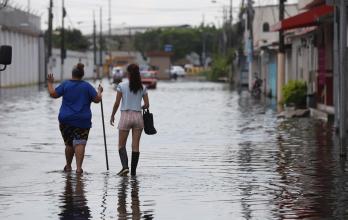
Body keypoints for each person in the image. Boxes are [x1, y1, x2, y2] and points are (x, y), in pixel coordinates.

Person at [47, 63, 103, 174]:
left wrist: (50, 83)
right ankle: (78, 169)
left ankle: (68, 166)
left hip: (65, 119)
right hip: (82, 120)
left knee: (69, 144)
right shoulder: (87, 86)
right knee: (80, 143)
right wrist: (100, 91)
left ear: (72, 74)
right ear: (82, 75)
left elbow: (53, 94)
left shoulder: (65, 84)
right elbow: (97, 100)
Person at [110, 63, 149, 176]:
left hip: (125, 116)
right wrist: (138, 107)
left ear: (128, 73)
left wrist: (112, 115)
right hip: (138, 117)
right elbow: (147, 104)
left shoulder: (121, 85)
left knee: (121, 145)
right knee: (135, 145)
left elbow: (117, 103)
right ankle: (133, 172)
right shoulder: (142, 87)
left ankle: (125, 167)